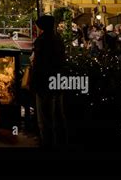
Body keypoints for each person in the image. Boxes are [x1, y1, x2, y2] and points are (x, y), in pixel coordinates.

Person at [31, 15, 68, 149]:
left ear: (41, 26)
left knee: (45, 117)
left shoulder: (42, 41)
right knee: (58, 114)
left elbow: (39, 65)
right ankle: (61, 141)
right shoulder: (58, 39)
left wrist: (35, 83)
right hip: (58, 80)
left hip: (44, 83)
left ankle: (47, 143)